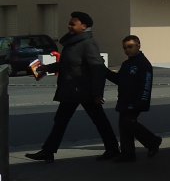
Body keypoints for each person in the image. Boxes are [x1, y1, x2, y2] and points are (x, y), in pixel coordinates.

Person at [26, 11, 120, 163]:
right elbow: (66, 64)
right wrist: (46, 68)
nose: (69, 26)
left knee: (98, 120)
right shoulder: (73, 43)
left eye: (72, 24)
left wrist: (97, 93)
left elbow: (98, 69)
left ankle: (113, 149)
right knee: (62, 120)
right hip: (72, 90)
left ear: (84, 26)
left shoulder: (88, 44)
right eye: (69, 23)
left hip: (83, 91)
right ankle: (48, 151)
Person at [104, 35, 162, 162]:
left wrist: (141, 102)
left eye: (130, 47)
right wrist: (104, 71)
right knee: (124, 127)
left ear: (138, 46)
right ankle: (128, 154)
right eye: (125, 48)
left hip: (135, 101)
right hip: (124, 100)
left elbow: (146, 84)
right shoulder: (126, 64)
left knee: (128, 123)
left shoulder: (143, 64)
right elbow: (118, 80)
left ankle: (153, 141)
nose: (127, 50)